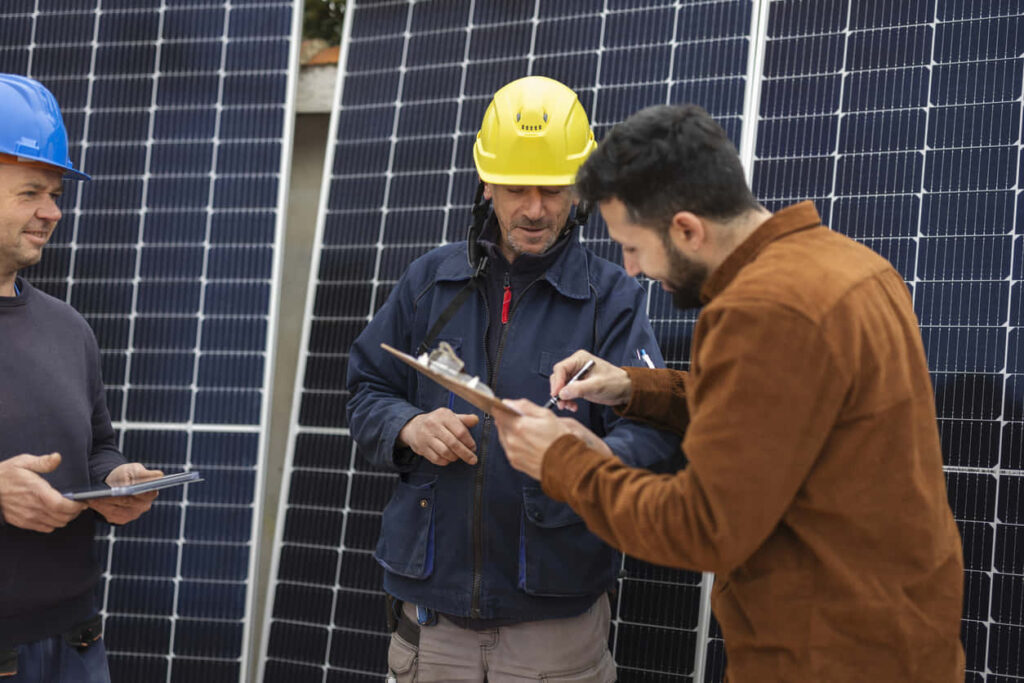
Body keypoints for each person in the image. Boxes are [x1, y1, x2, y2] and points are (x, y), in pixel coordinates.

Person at [493, 104, 966, 682]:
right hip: (906, 641)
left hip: (824, 659)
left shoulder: (762, 311)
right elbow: (778, 414)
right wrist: (633, 387)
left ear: (687, 228)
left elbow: (703, 526)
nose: (633, 270)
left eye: (635, 247)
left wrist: (561, 460)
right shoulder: (852, 266)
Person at [346, 76, 680, 682]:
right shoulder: (428, 282)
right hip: (432, 623)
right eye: (514, 188)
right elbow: (368, 388)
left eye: (552, 189)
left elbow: (657, 432)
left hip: (553, 629)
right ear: (485, 185)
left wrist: (594, 454)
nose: (534, 208)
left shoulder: (612, 298)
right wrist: (409, 426)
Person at [0, 73, 163, 682]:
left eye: (56, 192)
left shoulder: (69, 328)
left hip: (76, 643)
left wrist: (114, 481)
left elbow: (95, 448)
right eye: (31, 192)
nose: (53, 211)